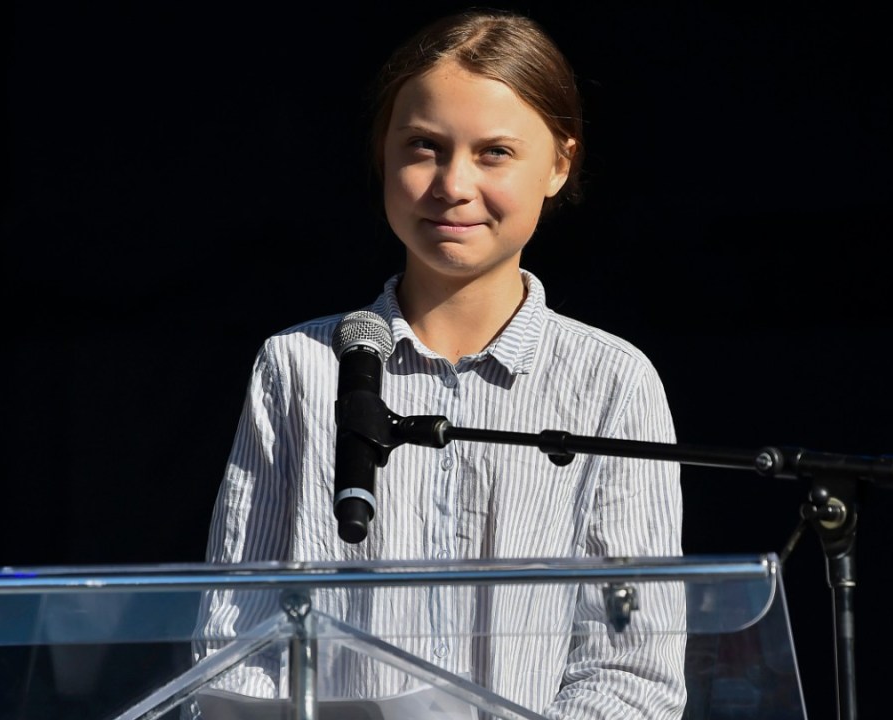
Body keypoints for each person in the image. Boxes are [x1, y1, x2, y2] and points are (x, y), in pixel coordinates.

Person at [194, 8, 686, 719]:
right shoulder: (298, 367)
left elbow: (632, 669)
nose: (453, 184)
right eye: (424, 146)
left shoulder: (611, 381)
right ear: (382, 153)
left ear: (559, 163)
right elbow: (235, 645)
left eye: (494, 153)